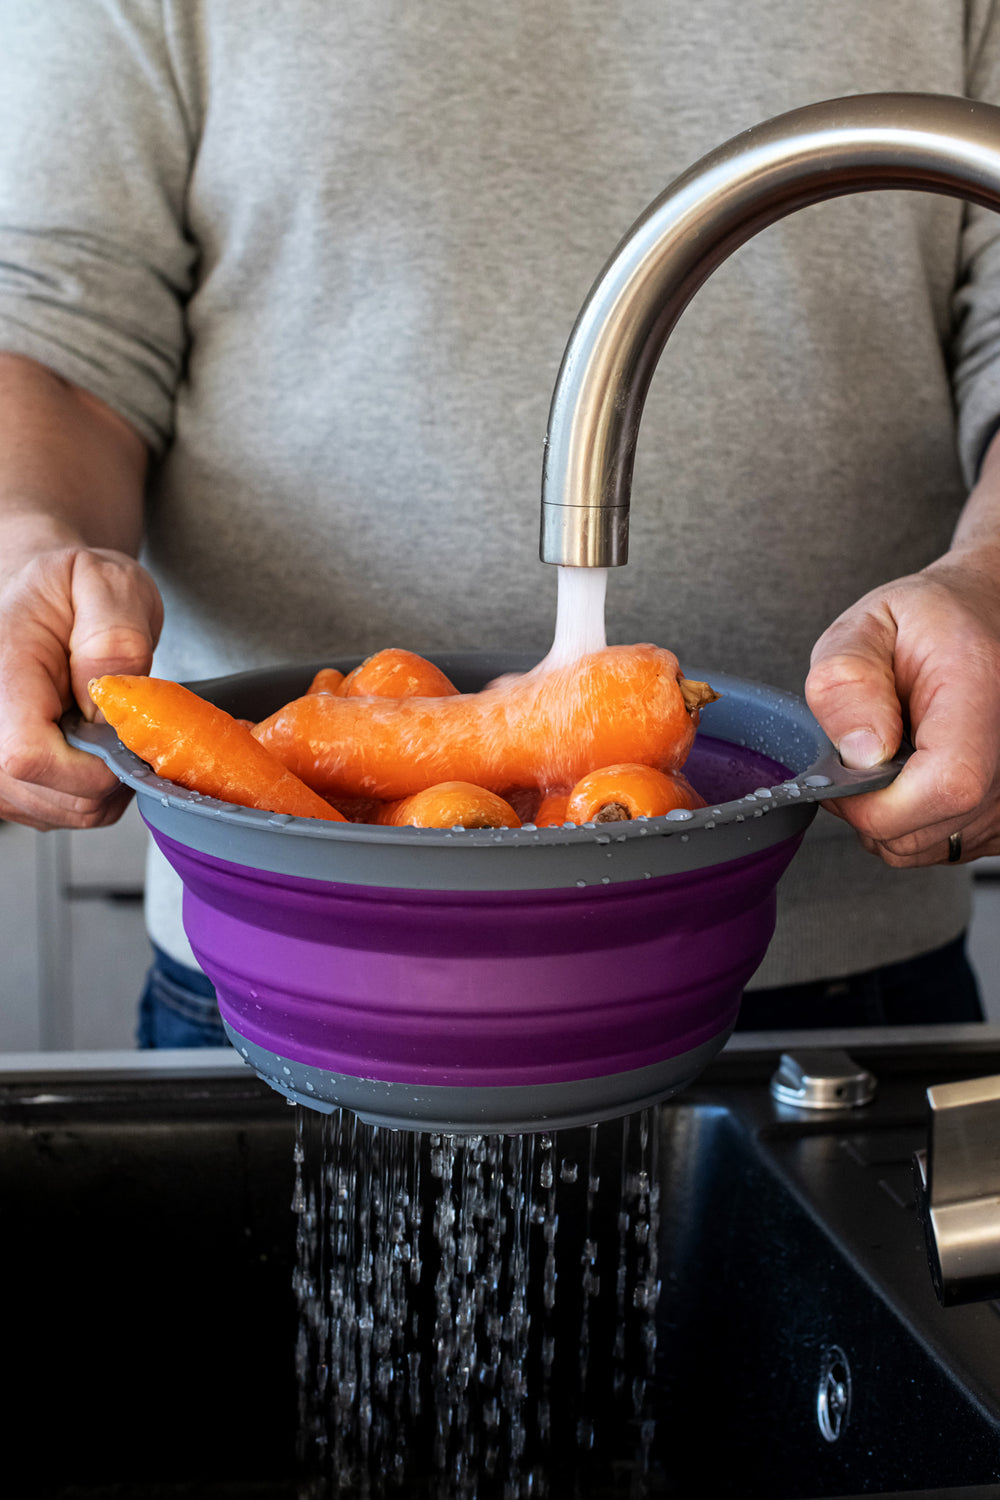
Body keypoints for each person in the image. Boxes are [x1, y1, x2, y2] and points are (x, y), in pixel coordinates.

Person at [1, 1, 999, 1044]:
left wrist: (994, 576)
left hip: (833, 954)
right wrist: (27, 551)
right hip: (287, 950)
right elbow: (58, 326)